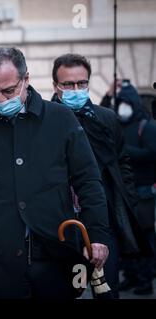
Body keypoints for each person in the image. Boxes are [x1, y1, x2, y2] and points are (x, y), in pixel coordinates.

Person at [0, 47, 110, 299]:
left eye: (9, 91)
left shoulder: (61, 119)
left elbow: (88, 180)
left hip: (56, 253)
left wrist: (97, 234)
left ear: (26, 80)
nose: (1, 99)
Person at [50, 53, 152, 298]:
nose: (76, 89)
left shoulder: (106, 118)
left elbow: (121, 162)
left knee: (106, 290)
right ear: (56, 86)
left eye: (81, 83)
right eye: (68, 84)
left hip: (103, 221)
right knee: (64, 290)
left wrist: (127, 198)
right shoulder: (46, 120)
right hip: (61, 224)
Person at [115, 82, 156, 295]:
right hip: (125, 192)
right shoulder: (119, 126)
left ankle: (146, 279)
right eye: (119, 102)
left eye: (126, 103)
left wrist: (125, 150)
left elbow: (152, 153)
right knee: (126, 237)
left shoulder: (147, 127)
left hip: (144, 192)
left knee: (145, 238)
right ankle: (131, 276)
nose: (122, 107)